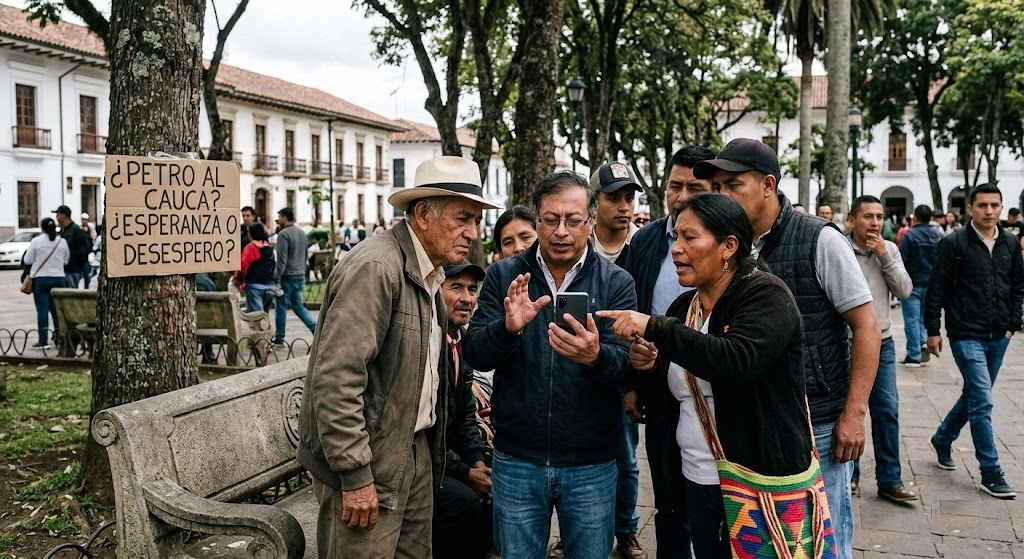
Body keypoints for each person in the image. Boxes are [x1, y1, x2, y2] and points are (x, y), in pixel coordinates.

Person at [298, 155, 498, 558]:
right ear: (423, 214)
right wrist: (355, 475)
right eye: (463, 218)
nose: (472, 234)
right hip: (369, 458)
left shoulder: (430, 273)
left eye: (475, 221)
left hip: (413, 450)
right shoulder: (377, 267)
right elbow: (337, 377)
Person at [598, 193, 813, 558]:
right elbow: (672, 392)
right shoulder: (686, 306)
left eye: (690, 238)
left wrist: (657, 328)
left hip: (757, 480)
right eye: (676, 238)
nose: (676, 250)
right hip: (697, 480)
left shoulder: (766, 295)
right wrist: (648, 365)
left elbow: (735, 361)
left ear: (728, 246)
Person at [694, 138, 880, 559]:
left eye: (732, 184)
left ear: (768, 185)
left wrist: (854, 414)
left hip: (817, 420)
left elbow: (866, 325)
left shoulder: (819, 239)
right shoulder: (727, 246)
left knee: (820, 541)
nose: (721, 194)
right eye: (716, 186)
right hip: (750, 422)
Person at [464, 170, 637, 559]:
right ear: (537, 221)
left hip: (590, 464)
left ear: (590, 222)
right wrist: (508, 330)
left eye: (573, 220)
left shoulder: (616, 282)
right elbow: (475, 351)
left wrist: (595, 356)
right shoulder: (505, 276)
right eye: (551, 219)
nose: (562, 231)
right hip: (517, 461)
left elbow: (628, 368)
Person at [621, 144, 715, 559]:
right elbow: (632, 314)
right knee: (669, 501)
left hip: (718, 394)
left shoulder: (732, 245)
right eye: (674, 186)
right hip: (659, 389)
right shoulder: (643, 242)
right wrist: (632, 383)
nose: (681, 196)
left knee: (717, 506)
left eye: (693, 187)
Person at [925, 183, 1023, 499]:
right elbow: (935, 287)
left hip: (1000, 335)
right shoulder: (954, 243)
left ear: (1001, 207)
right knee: (982, 400)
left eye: (995, 205)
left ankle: (943, 438)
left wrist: (1013, 324)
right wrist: (933, 330)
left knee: (974, 396)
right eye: (982, 205)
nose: (989, 211)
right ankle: (991, 471)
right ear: (970, 209)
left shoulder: (1010, 243)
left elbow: (1018, 286)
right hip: (966, 334)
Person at [585, 161, 646, 557]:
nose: (624, 206)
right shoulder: (578, 243)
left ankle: (626, 529)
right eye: (614, 197)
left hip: (627, 365)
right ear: (596, 202)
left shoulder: (642, 245)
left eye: (629, 197)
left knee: (626, 456)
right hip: (584, 363)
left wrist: (635, 383)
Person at [845, 195, 917, 503]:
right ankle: (850, 477)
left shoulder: (891, 249)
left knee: (887, 410)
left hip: (882, 342)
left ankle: (890, 479)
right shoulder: (839, 249)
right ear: (852, 220)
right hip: (845, 343)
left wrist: (886, 256)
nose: (875, 223)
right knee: (847, 411)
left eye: (879, 216)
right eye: (868, 216)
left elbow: (905, 290)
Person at [433, 262, 493, 559]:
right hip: (425, 462)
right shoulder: (428, 345)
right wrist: (466, 472)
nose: (467, 298)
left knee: (497, 490)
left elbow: (467, 417)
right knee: (465, 503)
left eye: (472, 289)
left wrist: (478, 461)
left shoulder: (464, 340)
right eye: (455, 287)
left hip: (451, 458)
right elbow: (427, 430)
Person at [898, 204, 943, 367]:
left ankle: (914, 354)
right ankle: (923, 340)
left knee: (911, 319)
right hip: (931, 284)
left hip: (913, 283)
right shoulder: (938, 235)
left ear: (915, 218)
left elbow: (901, 260)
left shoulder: (909, 236)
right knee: (925, 317)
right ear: (930, 218)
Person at [23, 218, 70, 349]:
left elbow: (28, 260)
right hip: (59, 278)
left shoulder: (36, 241)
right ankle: (59, 338)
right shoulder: (62, 241)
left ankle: (43, 341)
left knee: (42, 310)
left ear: (42, 228)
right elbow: (66, 260)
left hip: (41, 279)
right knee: (57, 311)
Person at [272, 207, 317, 344]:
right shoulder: (301, 233)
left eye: (279, 217)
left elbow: (282, 259)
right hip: (299, 274)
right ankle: (314, 327)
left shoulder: (284, 234)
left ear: (285, 218)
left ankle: (279, 336)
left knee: (281, 306)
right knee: (298, 305)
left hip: (287, 276)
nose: (278, 220)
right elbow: (305, 254)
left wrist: (276, 276)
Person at [233, 222, 276, 312]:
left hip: (255, 286)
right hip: (270, 286)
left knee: (257, 317)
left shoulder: (251, 247)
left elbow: (243, 264)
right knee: (264, 316)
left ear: (251, 234)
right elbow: (273, 264)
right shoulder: (268, 247)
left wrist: (238, 278)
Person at [54, 205, 91, 288]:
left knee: (72, 295)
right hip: (66, 270)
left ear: (63, 216)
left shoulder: (75, 230)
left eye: (58, 215)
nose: (56, 217)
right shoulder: (64, 230)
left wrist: (74, 263)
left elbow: (82, 251)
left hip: (73, 270)